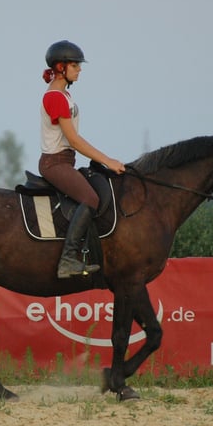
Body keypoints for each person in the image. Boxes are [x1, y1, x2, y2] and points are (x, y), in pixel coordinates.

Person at [39, 40, 126, 279]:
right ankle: (67, 260)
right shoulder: (55, 97)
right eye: (75, 65)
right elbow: (74, 140)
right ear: (60, 67)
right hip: (55, 163)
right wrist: (108, 160)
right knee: (89, 198)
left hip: (65, 161)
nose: (79, 69)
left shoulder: (65, 95)